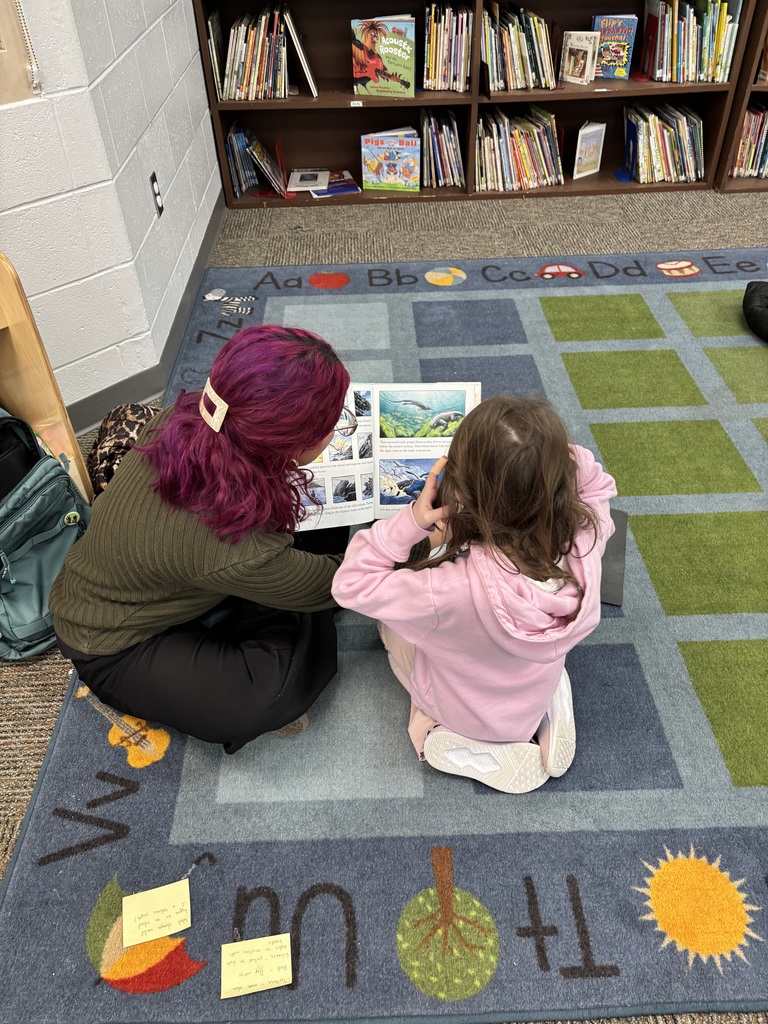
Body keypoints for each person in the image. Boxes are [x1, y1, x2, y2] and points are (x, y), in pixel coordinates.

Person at [50, 325, 356, 754]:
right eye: (333, 424)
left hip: (146, 578)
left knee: (312, 538)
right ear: (289, 444)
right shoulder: (233, 545)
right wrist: (413, 542)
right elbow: (337, 584)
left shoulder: (193, 413)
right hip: (111, 645)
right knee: (266, 692)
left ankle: (252, 598)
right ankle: (262, 604)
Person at [331, 395, 617, 793]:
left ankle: (430, 732)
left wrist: (411, 522)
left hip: (459, 711)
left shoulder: (446, 590)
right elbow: (596, 480)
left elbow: (351, 585)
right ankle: (542, 714)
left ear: (464, 496)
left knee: (389, 628)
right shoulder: (588, 537)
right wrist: (540, 459)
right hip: (527, 696)